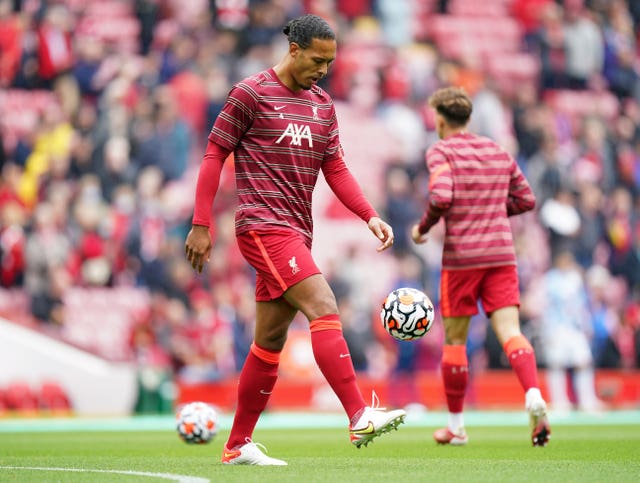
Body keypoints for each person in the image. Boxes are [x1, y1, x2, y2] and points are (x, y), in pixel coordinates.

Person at [184, 14, 406, 466]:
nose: (323, 70)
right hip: (261, 225)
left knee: (268, 341)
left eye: (330, 62)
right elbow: (214, 154)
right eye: (318, 60)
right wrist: (201, 224)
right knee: (324, 305)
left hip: (297, 230)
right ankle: (359, 415)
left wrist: (369, 216)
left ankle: (237, 444)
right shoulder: (250, 93)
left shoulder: (323, 104)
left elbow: (336, 169)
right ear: (294, 50)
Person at [410, 86, 551, 447]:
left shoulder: (440, 150)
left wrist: (423, 228)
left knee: (455, 341)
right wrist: (491, 213)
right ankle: (533, 392)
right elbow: (526, 198)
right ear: (469, 119)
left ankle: (456, 427)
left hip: (462, 260)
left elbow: (441, 196)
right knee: (511, 332)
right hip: (502, 255)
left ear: (441, 120)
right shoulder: (497, 150)